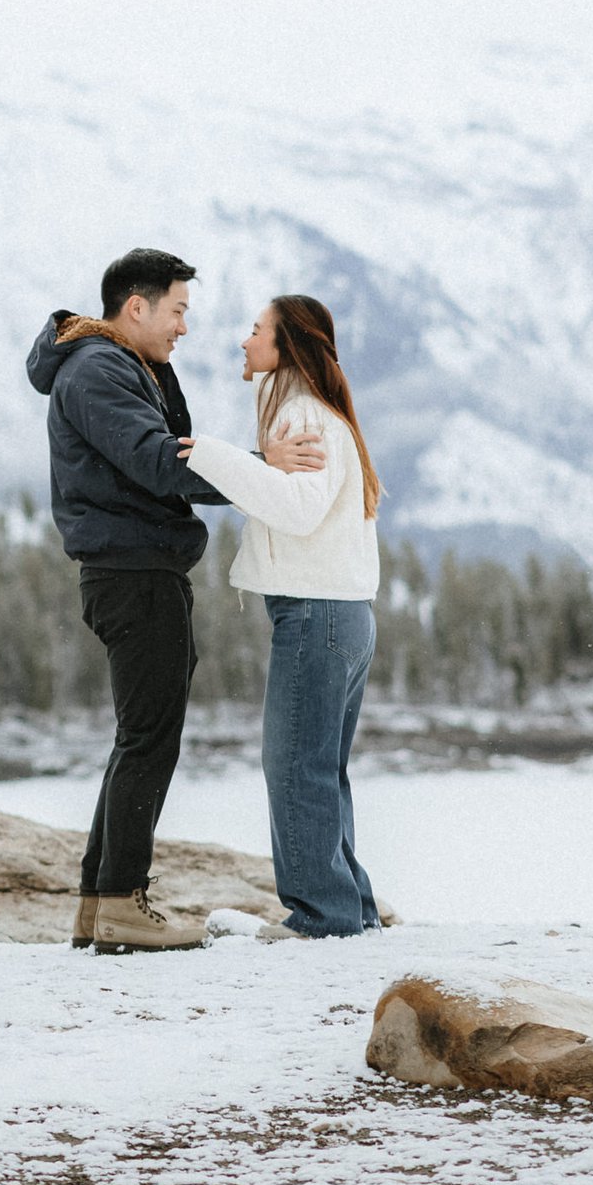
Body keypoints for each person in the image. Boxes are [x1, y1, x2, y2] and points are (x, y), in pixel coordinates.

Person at [27, 249, 323, 954]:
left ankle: (100, 904)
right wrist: (260, 469)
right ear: (138, 307)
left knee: (139, 735)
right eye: (178, 310)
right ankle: (122, 903)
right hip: (134, 573)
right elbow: (159, 459)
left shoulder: (117, 365)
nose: (184, 327)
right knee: (149, 739)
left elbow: (164, 452)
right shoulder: (100, 370)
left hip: (133, 570)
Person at [178, 294, 383, 939]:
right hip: (338, 614)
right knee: (320, 770)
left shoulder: (303, 414)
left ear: (286, 344)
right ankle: (350, 910)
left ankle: (322, 919)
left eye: (256, 329)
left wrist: (210, 454)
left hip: (317, 615)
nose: (244, 341)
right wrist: (260, 460)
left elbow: (297, 510)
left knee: (295, 767)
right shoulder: (309, 410)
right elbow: (289, 498)